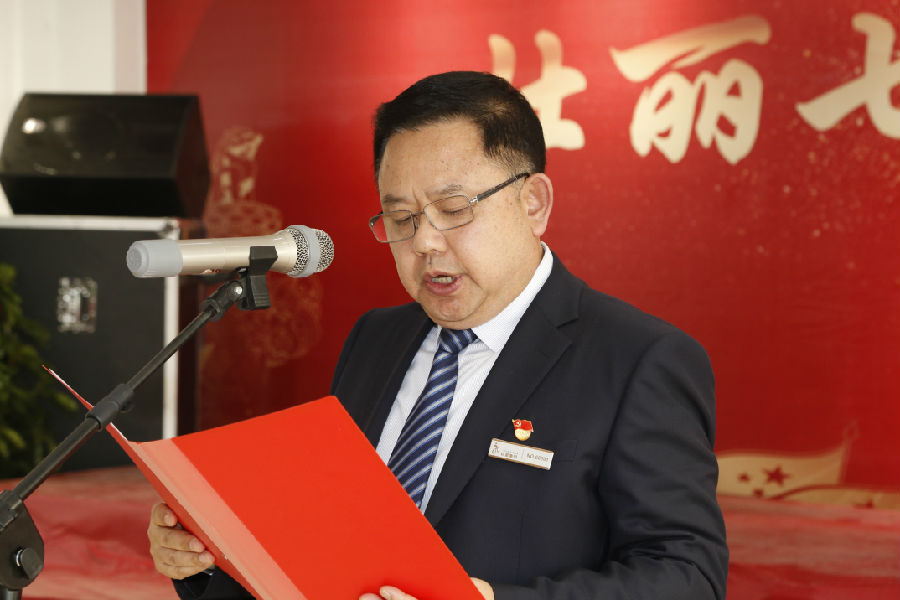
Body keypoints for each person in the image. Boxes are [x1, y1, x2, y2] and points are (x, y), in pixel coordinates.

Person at [148, 70, 729, 599]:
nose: (424, 242)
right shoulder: (376, 339)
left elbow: (687, 577)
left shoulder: (638, 360)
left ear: (533, 203)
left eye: (453, 209)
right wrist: (204, 561)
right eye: (401, 218)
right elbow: (322, 539)